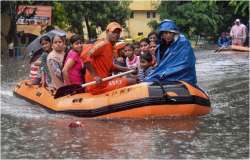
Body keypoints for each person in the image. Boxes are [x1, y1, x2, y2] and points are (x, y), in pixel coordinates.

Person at [81, 22, 136, 94]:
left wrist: (126, 69)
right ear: (107, 32)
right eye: (113, 32)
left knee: (131, 78)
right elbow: (84, 55)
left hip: (104, 82)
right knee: (133, 81)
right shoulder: (103, 44)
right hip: (97, 85)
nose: (116, 35)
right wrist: (95, 76)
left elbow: (110, 66)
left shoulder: (111, 47)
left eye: (118, 33)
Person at [144, 19, 197, 86]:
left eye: (170, 33)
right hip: (164, 73)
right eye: (165, 33)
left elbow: (187, 63)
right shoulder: (160, 47)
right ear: (162, 34)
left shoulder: (183, 43)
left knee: (153, 78)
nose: (168, 35)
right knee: (149, 79)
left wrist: (166, 72)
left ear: (174, 33)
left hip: (183, 75)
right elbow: (161, 64)